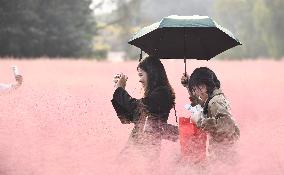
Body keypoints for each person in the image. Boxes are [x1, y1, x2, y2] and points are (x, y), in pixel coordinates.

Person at [111, 56, 177, 167]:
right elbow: (127, 118)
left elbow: (137, 107)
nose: (139, 80)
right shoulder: (156, 93)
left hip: (145, 147)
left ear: (152, 74)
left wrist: (120, 90)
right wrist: (119, 89)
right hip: (140, 145)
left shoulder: (162, 93)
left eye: (141, 75)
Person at [181, 67, 240, 163]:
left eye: (196, 88)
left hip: (224, 158)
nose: (196, 93)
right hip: (222, 155)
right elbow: (203, 105)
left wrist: (200, 121)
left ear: (205, 86)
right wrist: (188, 85)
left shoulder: (216, 101)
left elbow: (226, 127)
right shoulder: (214, 98)